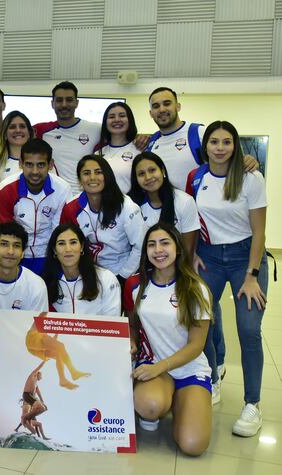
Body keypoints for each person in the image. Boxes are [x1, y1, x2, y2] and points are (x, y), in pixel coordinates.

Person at [186, 121, 268, 436]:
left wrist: (252, 275)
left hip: (246, 257)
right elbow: (192, 218)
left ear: (236, 146)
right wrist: (192, 253)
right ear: (205, 146)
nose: (220, 147)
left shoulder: (250, 177)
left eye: (227, 142)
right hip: (208, 257)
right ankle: (213, 379)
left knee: (249, 329)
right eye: (214, 142)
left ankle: (252, 405)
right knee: (200, 321)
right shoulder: (197, 177)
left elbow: (260, 231)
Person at [124, 223, 212, 456]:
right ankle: (165, 398)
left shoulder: (196, 288)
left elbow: (196, 344)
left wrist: (162, 367)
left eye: (165, 243)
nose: (158, 250)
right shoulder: (135, 284)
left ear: (178, 248)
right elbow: (133, 324)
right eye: (151, 244)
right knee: (150, 406)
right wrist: (132, 341)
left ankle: (181, 401)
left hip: (188, 368)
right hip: (153, 365)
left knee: (193, 445)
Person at [60, 155, 145, 280]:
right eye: (86, 173)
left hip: (121, 272)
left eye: (98, 172)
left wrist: (123, 276)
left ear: (107, 176)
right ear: (79, 179)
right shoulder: (71, 208)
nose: (92, 178)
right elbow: (65, 243)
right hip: (87, 273)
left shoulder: (127, 207)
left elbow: (140, 246)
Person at [0, 139, 71, 275]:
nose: (35, 171)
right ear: (20, 164)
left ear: (51, 165)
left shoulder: (63, 188)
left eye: (41, 165)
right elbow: (4, 233)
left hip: (50, 254)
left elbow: (59, 230)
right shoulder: (5, 189)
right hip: (17, 254)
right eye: (29, 165)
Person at [33, 81, 102, 194]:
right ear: (52, 103)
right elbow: (11, 134)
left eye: (69, 100)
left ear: (76, 103)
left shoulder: (95, 129)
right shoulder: (42, 130)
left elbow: (123, 137)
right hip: (55, 199)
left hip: (85, 198)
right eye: (59, 100)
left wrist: (139, 139)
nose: (64, 104)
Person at [42, 223, 121, 316]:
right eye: (61, 243)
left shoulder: (106, 278)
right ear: (54, 250)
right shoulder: (45, 281)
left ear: (82, 246)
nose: (68, 249)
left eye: (73, 242)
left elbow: (113, 324)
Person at [129, 152, 199, 257]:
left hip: (177, 265)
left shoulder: (184, 201)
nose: (148, 177)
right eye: (141, 174)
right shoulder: (131, 206)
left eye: (152, 170)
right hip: (143, 265)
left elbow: (187, 252)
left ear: (162, 171)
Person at [99, 101, 139, 194]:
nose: (117, 120)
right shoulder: (97, 154)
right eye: (111, 117)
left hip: (130, 206)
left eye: (122, 115)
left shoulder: (139, 151)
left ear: (130, 120)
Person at [0, 111, 35, 185]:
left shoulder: (43, 161)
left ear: (29, 133)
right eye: (12, 127)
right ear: (5, 134)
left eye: (22, 126)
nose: (18, 130)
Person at [15, 360, 49, 439]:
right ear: (38, 374)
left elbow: (39, 393)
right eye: (41, 375)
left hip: (31, 397)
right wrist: (45, 360)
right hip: (27, 395)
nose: (42, 377)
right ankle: (25, 418)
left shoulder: (36, 384)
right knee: (41, 408)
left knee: (45, 408)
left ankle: (27, 418)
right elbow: (39, 367)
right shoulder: (33, 375)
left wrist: (42, 401)